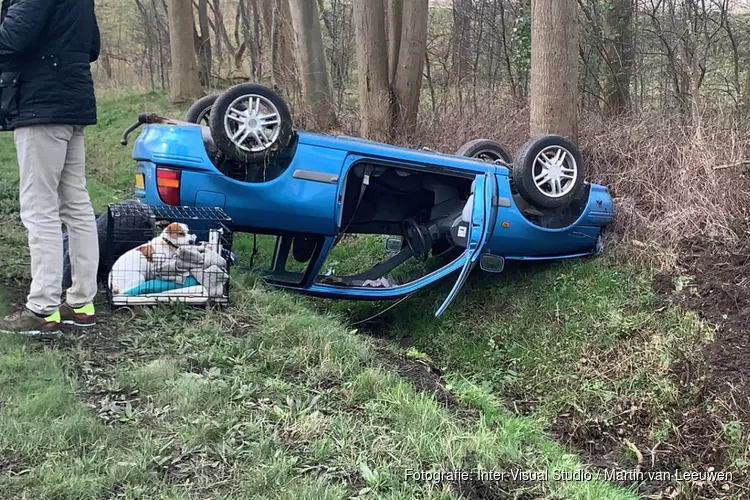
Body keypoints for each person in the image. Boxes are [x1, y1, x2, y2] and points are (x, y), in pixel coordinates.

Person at [0, 0, 101, 335]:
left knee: (39, 206)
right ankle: (81, 304)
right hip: (72, 102)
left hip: (42, 105)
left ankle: (42, 308)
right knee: (76, 205)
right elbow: (93, 47)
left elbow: (12, 38)